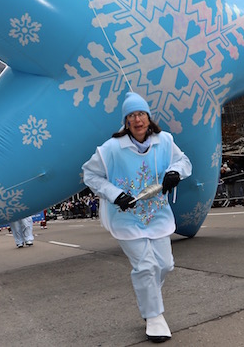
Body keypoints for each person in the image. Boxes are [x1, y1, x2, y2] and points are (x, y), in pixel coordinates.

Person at [82, 91, 192, 343]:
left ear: (148, 117)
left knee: (164, 266)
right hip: (126, 217)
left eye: (141, 113)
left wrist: (175, 172)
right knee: (145, 267)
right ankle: (154, 318)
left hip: (157, 214)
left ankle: (148, 294)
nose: (137, 119)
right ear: (126, 121)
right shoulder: (111, 149)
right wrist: (115, 194)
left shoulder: (164, 141)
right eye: (131, 115)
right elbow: (90, 174)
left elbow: (183, 161)